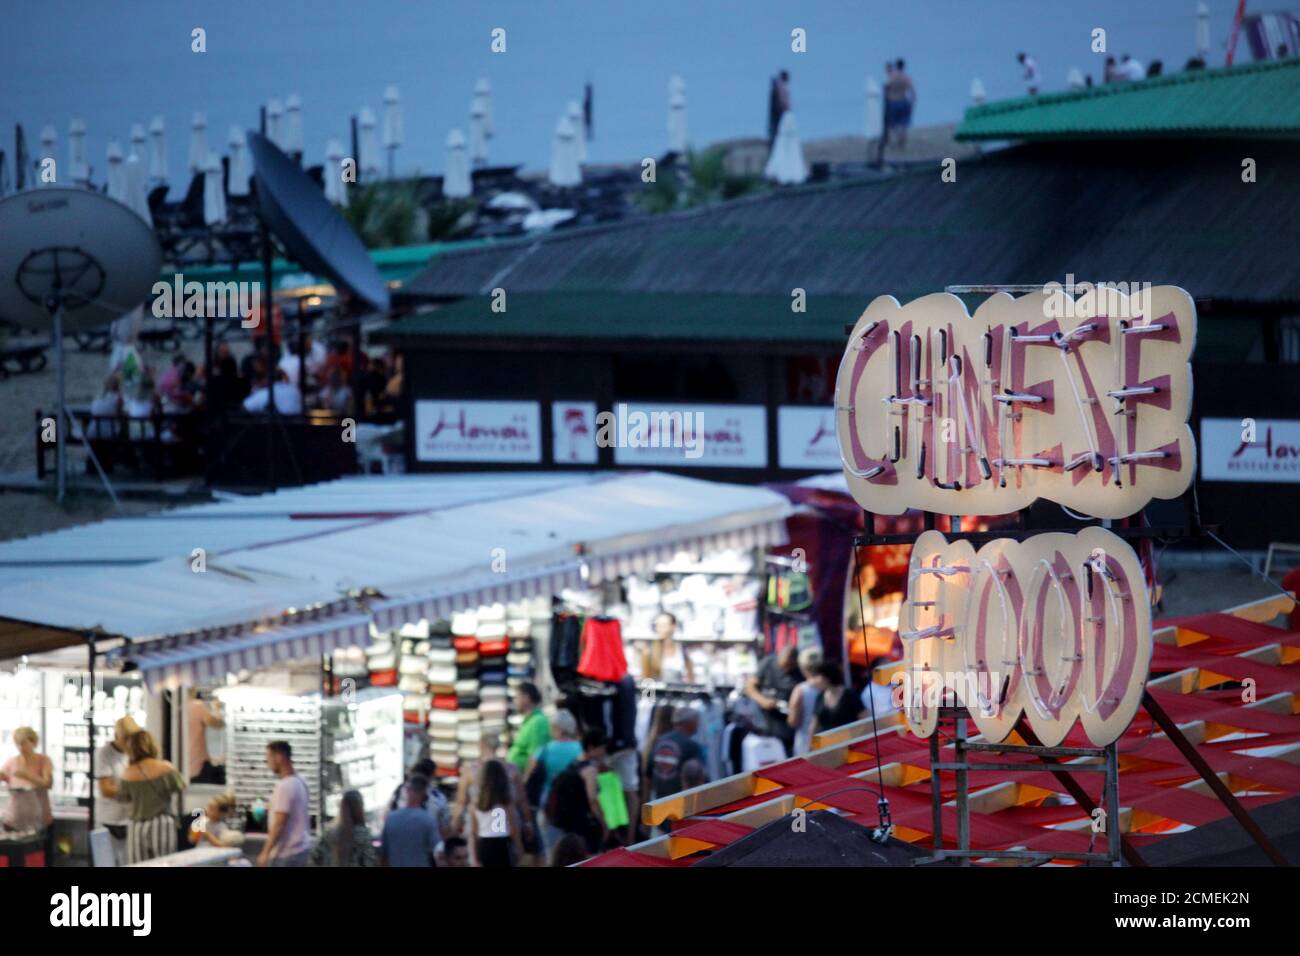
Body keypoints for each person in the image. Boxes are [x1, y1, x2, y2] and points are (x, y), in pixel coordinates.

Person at [115, 730, 184, 864]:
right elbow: (180, 787)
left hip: (137, 826)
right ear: (152, 745)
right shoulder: (166, 768)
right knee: (164, 864)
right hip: (162, 823)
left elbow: (123, 798)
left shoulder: (127, 774)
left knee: (138, 865)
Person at [527, 708, 584, 851]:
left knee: (551, 849)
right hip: (575, 803)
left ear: (555, 728)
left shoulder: (544, 750)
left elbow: (529, 775)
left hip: (549, 801)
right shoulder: (580, 749)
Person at [548, 729, 609, 854]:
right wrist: (604, 824)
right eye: (602, 747)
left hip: (568, 824)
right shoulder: (590, 770)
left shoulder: (574, 763)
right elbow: (592, 800)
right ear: (591, 747)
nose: (604, 751)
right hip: (583, 825)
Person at [93, 715, 141, 866]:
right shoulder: (103, 753)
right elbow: (106, 790)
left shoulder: (135, 753)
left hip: (129, 819)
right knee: (105, 863)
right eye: (125, 738)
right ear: (116, 736)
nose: (128, 743)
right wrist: (134, 793)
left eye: (132, 738)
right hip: (107, 820)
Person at [1, 727, 54, 858]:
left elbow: (47, 783)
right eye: (18, 744)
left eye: (24, 743)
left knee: (40, 859)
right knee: (15, 860)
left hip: (40, 822)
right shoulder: (11, 762)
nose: (21, 747)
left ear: (34, 742)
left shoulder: (43, 760)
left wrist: (26, 775)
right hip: (13, 822)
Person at [258, 740, 312, 867]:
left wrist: (265, 852)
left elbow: (279, 823)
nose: (268, 764)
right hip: (301, 849)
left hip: (287, 854)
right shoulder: (300, 781)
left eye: (268, 759)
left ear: (279, 757)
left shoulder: (285, 786)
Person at [745, 644, 802, 754]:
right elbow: (749, 686)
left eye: (789, 666)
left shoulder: (799, 672)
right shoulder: (768, 663)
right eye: (784, 665)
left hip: (787, 723)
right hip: (766, 719)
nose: (786, 669)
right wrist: (762, 700)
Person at [470, 759, 525, 867]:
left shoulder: (476, 803)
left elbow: (473, 832)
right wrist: (519, 847)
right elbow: (513, 828)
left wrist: (474, 854)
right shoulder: (506, 802)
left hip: (484, 843)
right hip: (502, 843)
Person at [649, 706, 707, 803]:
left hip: (659, 801)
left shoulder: (660, 741)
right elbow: (697, 777)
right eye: (697, 721)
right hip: (680, 803)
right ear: (689, 722)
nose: (698, 724)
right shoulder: (691, 745)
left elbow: (648, 775)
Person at [381, 775, 440, 866]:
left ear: (408, 792)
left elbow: (384, 853)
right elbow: (438, 851)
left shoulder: (391, 818)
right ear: (424, 794)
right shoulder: (428, 820)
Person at [387, 758, 452, 840]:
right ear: (432, 775)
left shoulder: (400, 791)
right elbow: (445, 829)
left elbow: (387, 816)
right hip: (426, 844)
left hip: (399, 841)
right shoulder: (438, 798)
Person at [311, 789, 377, 866]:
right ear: (360, 808)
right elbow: (369, 863)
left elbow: (315, 856)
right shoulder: (363, 834)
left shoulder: (329, 831)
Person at [787, 646, 824, 756]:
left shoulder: (800, 690)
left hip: (806, 741)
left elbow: (793, 721)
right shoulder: (830, 686)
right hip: (830, 738)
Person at [506, 682, 550, 773]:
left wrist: (525, 782)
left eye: (516, 697)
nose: (514, 701)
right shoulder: (529, 721)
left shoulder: (537, 721)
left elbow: (535, 757)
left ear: (526, 698)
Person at [810, 660, 863, 734]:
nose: (815, 681)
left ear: (827, 677)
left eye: (817, 677)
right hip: (827, 743)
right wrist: (811, 743)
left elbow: (863, 719)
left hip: (849, 741)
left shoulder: (849, 695)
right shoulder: (820, 697)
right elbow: (815, 724)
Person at [641, 611, 694, 683]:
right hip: (658, 692)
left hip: (679, 691)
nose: (660, 629)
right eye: (658, 625)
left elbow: (691, 677)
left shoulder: (682, 649)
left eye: (664, 625)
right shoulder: (649, 651)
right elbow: (646, 681)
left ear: (673, 626)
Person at [186, 689, 224, 784]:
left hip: (185, 768)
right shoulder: (197, 706)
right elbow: (218, 724)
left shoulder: (177, 708)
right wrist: (217, 708)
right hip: (199, 768)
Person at [883, 58, 915, 150]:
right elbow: (913, 92)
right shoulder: (906, 78)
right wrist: (911, 103)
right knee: (904, 124)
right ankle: (902, 143)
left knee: (893, 124)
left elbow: (886, 89)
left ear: (896, 66)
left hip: (894, 102)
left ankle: (899, 140)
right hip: (904, 101)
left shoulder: (892, 77)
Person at [860, 656, 901, 723]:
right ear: (875, 672)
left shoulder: (899, 682)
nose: (890, 671)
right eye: (887, 669)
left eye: (892, 667)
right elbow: (884, 717)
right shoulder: (868, 693)